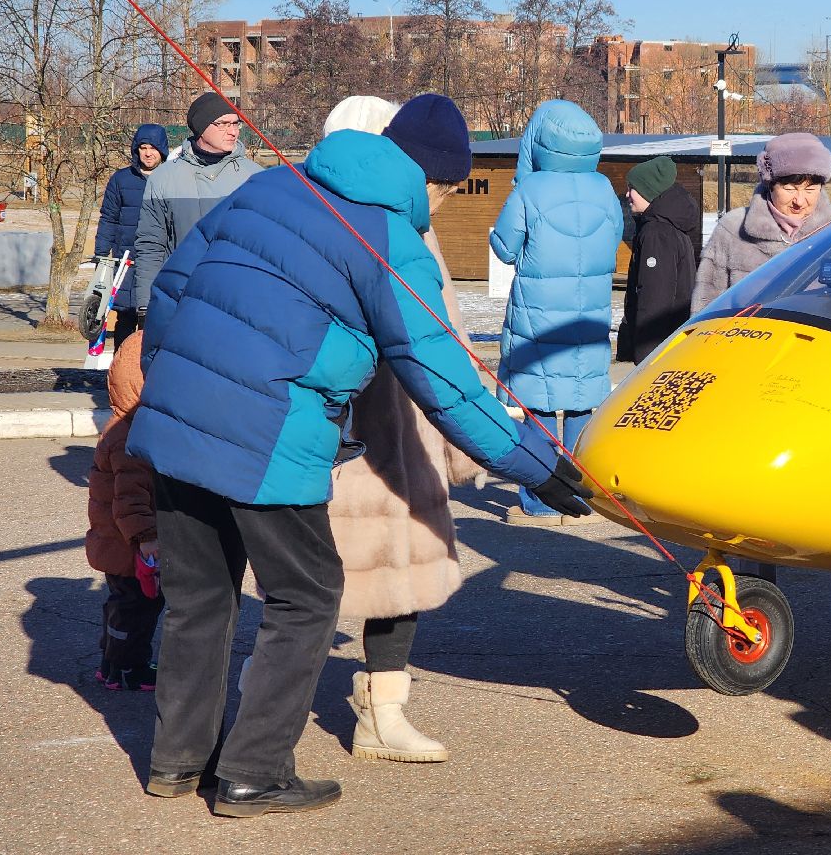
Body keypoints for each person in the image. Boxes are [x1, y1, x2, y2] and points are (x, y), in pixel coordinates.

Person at [127, 93, 589, 818]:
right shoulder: (389, 237)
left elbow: (174, 285)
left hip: (177, 417)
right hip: (269, 431)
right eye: (445, 189)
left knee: (201, 598)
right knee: (307, 596)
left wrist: (172, 380)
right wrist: (537, 466)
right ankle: (253, 773)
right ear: (430, 177)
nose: (437, 203)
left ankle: (178, 764)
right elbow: (443, 382)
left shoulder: (276, 181)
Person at [319, 95, 480, 765]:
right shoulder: (352, 221)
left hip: (404, 423)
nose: (444, 198)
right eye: (440, 185)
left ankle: (384, 714)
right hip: (345, 427)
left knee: (399, 575)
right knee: (309, 581)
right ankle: (258, 720)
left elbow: (449, 334)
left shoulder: (417, 227)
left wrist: (462, 433)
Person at [691, 132, 831, 655]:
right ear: (768, 180)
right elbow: (704, 312)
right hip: (751, 388)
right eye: (791, 185)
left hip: (821, 386)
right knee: (752, 507)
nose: (802, 198)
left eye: (812, 185)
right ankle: (759, 606)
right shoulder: (732, 232)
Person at [491, 99, 622, 525]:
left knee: (538, 407)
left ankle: (540, 501)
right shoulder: (604, 188)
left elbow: (506, 248)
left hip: (538, 316)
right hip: (589, 316)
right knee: (581, 405)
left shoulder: (530, 189)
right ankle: (581, 497)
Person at [133, 91, 263, 322]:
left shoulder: (255, 178)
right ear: (201, 127)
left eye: (236, 124)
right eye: (223, 124)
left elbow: (265, 248)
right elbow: (150, 245)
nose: (232, 131)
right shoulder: (163, 178)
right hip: (182, 300)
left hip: (240, 303)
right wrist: (146, 304)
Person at [84, 331, 163, 691]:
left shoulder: (120, 426)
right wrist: (146, 536)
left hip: (117, 542)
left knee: (122, 604)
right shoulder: (132, 433)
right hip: (129, 545)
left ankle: (111, 663)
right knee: (137, 609)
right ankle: (130, 667)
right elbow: (129, 495)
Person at [616, 155, 700, 364]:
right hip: (671, 345)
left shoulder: (657, 233)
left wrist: (645, 356)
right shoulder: (670, 226)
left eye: (631, 188)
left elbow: (654, 298)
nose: (627, 194)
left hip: (658, 350)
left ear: (648, 191)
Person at [94, 124, 168, 351]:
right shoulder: (121, 179)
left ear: (162, 150)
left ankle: (147, 374)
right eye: (143, 147)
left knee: (153, 318)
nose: (147, 153)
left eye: (153, 148)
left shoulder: (172, 178)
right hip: (126, 260)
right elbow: (109, 217)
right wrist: (101, 253)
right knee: (125, 317)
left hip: (159, 260)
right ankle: (120, 368)